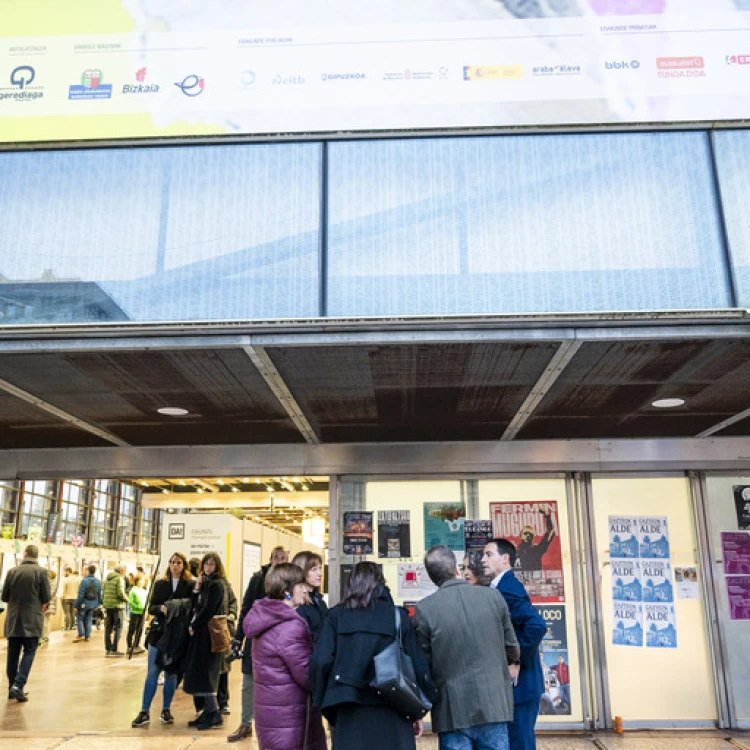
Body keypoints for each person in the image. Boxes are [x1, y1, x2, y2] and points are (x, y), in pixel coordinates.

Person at [310, 561, 434, 750]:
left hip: (349, 708)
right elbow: (417, 665)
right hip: (395, 706)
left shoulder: (336, 616)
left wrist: (324, 703)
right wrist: (418, 711)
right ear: (381, 585)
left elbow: (320, 661)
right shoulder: (397, 616)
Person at [415, 545, 520, 750]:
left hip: (451, 709)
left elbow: (423, 664)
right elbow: (512, 647)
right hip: (493, 704)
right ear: (456, 568)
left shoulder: (424, 609)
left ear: (431, 577)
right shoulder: (493, 597)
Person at [243, 563, 327, 750]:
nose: (305, 589)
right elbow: (306, 675)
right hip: (290, 718)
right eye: (300, 585)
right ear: (288, 591)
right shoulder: (290, 627)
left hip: (271, 713)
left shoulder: (265, 617)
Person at [483, 539, 547, 750]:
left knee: (520, 742)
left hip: (522, 685)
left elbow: (536, 626)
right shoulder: (499, 585)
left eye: (489, 554)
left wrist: (516, 658)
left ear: (505, 558)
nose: (484, 560)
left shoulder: (508, 587)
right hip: (516, 688)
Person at [227, 545, 288, 743]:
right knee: (248, 683)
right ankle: (245, 724)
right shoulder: (257, 579)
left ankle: (279, 727)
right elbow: (246, 609)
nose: (279, 560)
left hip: (283, 643)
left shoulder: (293, 582)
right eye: (276, 557)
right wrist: (238, 638)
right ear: (270, 559)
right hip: (256, 640)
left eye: (283, 557)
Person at [132, 552, 195, 728]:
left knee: (171, 673)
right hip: (159, 634)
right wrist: (160, 608)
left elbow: (193, 607)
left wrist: (178, 607)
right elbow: (151, 607)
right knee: (152, 671)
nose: (175, 565)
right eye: (173, 562)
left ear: (184, 565)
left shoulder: (189, 585)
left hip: (178, 636)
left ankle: (166, 709)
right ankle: (144, 711)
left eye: (179, 563)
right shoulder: (161, 584)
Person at [183, 552, 230, 731]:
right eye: (206, 564)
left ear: (217, 566)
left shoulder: (217, 584)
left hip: (208, 634)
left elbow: (207, 610)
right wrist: (197, 587)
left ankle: (213, 713)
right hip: (203, 632)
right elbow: (195, 604)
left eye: (211, 564)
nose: (208, 567)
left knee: (207, 672)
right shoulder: (207, 583)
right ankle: (209, 712)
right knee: (201, 672)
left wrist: (194, 624)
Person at [2, 544, 51, 702]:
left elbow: (4, 597)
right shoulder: (42, 573)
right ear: (37, 556)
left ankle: (11, 687)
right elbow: (46, 597)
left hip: (14, 618)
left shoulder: (12, 571)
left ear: (24, 555)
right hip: (32, 619)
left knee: (13, 653)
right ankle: (19, 685)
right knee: (30, 651)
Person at [292, 551, 328, 643]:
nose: (320, 573)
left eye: (320, 568)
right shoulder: (297, 604)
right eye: (314, 569)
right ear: (302, 571)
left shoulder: (320, 602)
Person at [102, 564, 128, 656]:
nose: (125, 572)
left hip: (108, 606)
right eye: (125, 570)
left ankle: (108, 649)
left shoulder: (107, 579)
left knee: (108, 628)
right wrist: (127, 600)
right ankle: (114, 649)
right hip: (117, 606)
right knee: (119, 627)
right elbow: (120, 593)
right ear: (121, 571)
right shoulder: (120, 579)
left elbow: (103, 592)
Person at [73, 565, 102, 643]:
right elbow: (99, 594)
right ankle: (87, 636)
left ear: (88, 571)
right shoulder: (98, 581)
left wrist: (76, 605)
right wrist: (97, 604)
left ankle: (81, 634)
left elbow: (81, 594)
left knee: (80, 618)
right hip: (93, 604)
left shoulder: (84, 580)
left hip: (84, 603)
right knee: (89, 619)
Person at [126, 574, 148, 655]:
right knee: (132, 629)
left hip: (142, 613)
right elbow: (130, 601)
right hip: (135, 612)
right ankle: (129, 646)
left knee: (140, 629)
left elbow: (146, 601)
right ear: (136, 581)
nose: (141, 582)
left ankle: (136, 645)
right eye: (140, 580)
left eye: (142, 581)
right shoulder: (133, 590)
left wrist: (146, 609)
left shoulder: (144, 591)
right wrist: (138, 607)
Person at [41, 569, 58, 645]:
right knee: (47, 620)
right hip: (51, 605)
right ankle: (46, 635)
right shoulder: (54, 583)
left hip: (47, 605)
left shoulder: (49, 584)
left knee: (44, 621)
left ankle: (44, 636)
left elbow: (48, 595)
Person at [61, 567, 81, 631]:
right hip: (75, 598)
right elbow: (79, 589)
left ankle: (67, 627)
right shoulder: (78, 580)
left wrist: (62, 596)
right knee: (73, 612)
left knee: (67, 613)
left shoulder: (66, 580)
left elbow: (64, 589)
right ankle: (72, 626)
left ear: (68, 572)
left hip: (67, 598)